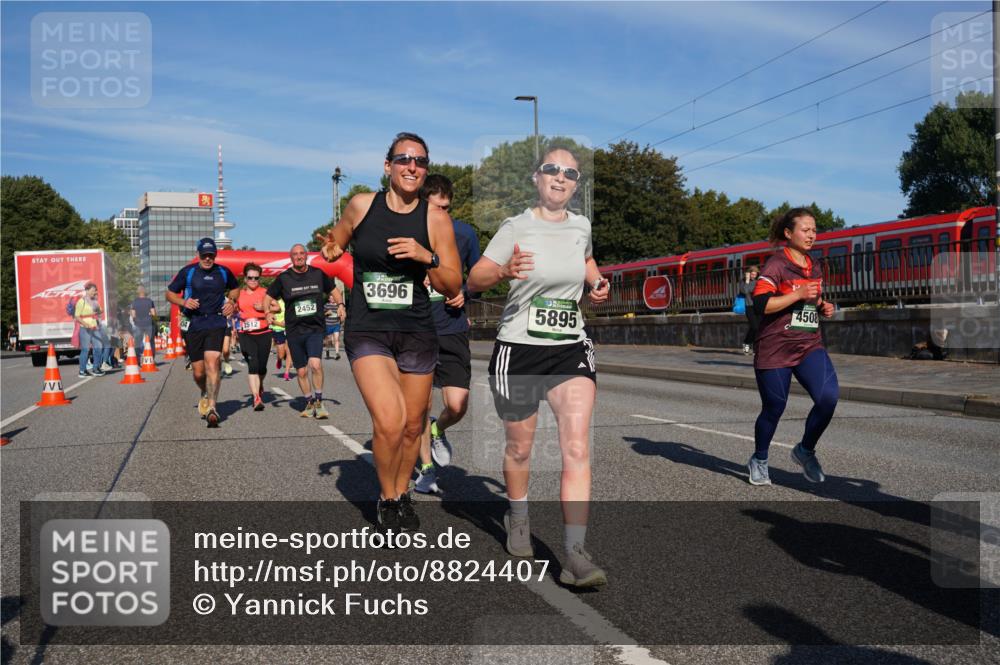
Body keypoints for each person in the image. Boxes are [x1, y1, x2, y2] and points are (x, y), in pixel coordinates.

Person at [466, 144, 610, 588]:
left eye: (569, 173)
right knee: (521, 449)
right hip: (519, 349)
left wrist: (597, 282)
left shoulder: (581, 226)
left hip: (569, 346)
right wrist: (506, 270)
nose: (560, 177)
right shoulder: (515, 227)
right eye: (552, 170)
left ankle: (574, 554)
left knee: (576, 446)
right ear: (536, 177)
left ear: (576, 184)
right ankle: (519, 515)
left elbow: (585, 259)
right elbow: (474, 278)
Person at [316, 131, 461, 533]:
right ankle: (387, 498)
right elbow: (336, 243)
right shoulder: (362, 205)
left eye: (420, 161)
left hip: (416, 330)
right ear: (388, 167)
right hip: (369, 330)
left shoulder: (436, 219)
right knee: (391, 421)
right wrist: (331, 250)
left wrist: (425, 255)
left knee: (414, 425)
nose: (412, 167)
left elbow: (452, 284)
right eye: (404, 160)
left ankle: (401, 493)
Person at [747, 208, 838, 486]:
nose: (811, 234)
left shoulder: (815, 265)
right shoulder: (776, 264)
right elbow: (761, 304)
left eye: (814, 230)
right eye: (805, 229)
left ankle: (805, 450)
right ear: (789, 233)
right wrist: (797, 293)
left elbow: (809, 300)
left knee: (828, 397)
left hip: (809, 344)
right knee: (774, 407)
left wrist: (822, 306)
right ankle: (759, 459)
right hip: (776, 347)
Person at [413, 174, 481, 495]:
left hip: (452, 326)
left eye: (447, 207)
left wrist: (465, 292)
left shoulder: (464, 233)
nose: (443, 213)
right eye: (437, 207)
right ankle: (426, 470)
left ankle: (439, 429)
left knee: (457, 404)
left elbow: (480, 275)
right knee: (419, 406)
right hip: (418, 329)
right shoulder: (408, 234)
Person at [165, 237, 240, 427]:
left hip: (216, 320)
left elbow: (235, 289)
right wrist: (183, 302)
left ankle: (213, 407)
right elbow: (170, 293)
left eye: (211, 255)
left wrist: (231, 302)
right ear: (198, 254)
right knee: (199, 372)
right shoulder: (188, 272)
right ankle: (205, 392)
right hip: (194, 323)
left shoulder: (223, 272)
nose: (208, 259)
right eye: (205, 255)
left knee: (213, 362)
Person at [264, 244, 343, 420]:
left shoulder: (317, 274)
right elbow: (268, 297)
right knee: (300, 371)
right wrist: (267, 312)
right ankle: (309, 402)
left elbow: (334, 290)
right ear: (291, 258)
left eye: (301, 253)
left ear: (306, 256)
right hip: (294, 331)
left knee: (315, 364)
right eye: (295, 254)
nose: (299, 256)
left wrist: (340, 305)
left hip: (315, 328)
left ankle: (319, 401)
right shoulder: (284, 278)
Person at [237, 263, 275, 411]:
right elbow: (231, 308)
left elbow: (277, 307)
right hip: (246, 334)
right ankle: (256, 397)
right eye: (250, 277)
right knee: (253, 364)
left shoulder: (265, 292)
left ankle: (259, 384)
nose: (253, 280)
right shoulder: (238, 294)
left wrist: (265, 308)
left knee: (262, 367)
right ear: (245, 279)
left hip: (264, 333)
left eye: (256, 278)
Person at [74, 282, 112, 377]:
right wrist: (85, 323)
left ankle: (96, 368)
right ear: (87, 290)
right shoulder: (81, 301)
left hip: (95, 327)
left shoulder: (95, 301)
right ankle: (82, 371)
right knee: (85, 350)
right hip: (85, 329)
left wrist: (100, 310)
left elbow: (100, 310)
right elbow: (77, 316)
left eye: (94, 291)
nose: (94, 292)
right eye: (92, 290)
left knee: (98, 348)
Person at [271, 298, 292, 381]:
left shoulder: (292, 302)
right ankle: (279, 359)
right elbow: (271, 319)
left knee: (289, 351)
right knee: (281, 355)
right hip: (278, 330)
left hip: (290, 330)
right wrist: (280, 324)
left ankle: (286, 373)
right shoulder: (276, 303)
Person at [742, 266, 760, 355]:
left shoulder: (758, 282)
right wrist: (747, 280)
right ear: (749, 274)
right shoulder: (744, 281)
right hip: (749, 306)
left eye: (755, 274)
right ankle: (746, 343)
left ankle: (755, 348)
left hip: (758, 306)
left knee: (757, 328)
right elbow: (745, 291)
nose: (754, 276)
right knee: (754, 327)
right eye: (752, 274)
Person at [322, 289, 344, 360]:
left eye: (334, 298)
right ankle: (327, 349)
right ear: (329, 299)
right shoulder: (326, 306)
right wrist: (326, 313)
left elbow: (342, 314)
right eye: (331, 298)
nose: (333, 299)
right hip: (328, 325)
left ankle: (337, 353)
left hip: (336, 324)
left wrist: (340, 315)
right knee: (328, 340)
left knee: (336, 339)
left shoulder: (338, 306)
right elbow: (321, 315)